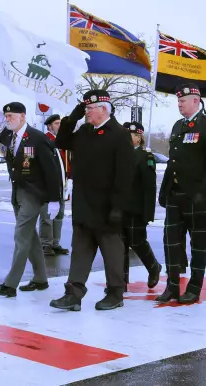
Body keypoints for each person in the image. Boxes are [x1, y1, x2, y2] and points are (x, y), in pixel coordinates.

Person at [49, 90, 134, 311]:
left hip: (107, 206)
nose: (86, 112)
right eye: (85, 109)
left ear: (104, 109)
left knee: (112, 252)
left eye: (89, 109)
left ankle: (115, 293)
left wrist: (118, 207)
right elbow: (62, 141)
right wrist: (72, 118)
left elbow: (125, 175)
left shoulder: (119, 134)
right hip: (84, 203)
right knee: (80, 251)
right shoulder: (85, 131)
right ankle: (73, 294)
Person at [0, 103, 62, 297]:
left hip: (35, 193)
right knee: (30, 237)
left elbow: (52, 171)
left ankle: (10, 284)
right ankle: (40, 279)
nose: (7, 119)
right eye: (6, 116)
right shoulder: (8, 136)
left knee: (21, 236)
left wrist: (55, 199)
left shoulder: (37, 138)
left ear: (22, 117)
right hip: (18, 192)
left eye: (11, 116)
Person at [157, 85, 206, 304]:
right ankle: (172, 286)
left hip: (198, 196)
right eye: (178, 101)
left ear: (196, 100)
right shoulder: (178, 126)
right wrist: (164, 191)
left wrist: (203, 192)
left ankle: (194, 287)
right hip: (176, 194)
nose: (179, 104)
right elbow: (172, 162)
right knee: (171, 242)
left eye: (183, 100)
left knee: (198, 244)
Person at [120, 121, 162, 290]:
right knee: (120, 244)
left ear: (139, 137)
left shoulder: (146, 157)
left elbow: (149, 188)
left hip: (136, 209)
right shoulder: (120, 155)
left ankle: (153, 267)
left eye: (130, 136)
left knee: (137, 241)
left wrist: (148, 213)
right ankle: (120, 282)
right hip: (120, 208)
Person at [39, 113, 70, 256]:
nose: (60, 126)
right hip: (48, 185)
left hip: (62, 184)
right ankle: (46, 244)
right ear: (49, 126)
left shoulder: (62, 142)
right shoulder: (45, 140)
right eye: (57, 123)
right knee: (47, 216)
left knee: (59, 215)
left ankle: (55, 243)